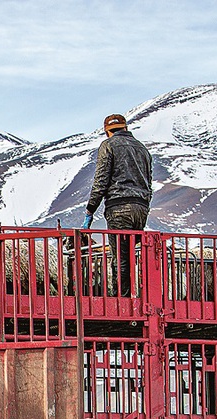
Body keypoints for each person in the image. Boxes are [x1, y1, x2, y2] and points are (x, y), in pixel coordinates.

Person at [83, 113, 153, 296]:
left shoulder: (108, 146)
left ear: (107, 132)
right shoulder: (142, 149)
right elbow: (149, 181)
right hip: (141, 208)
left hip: (119, 207)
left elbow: (101, 180)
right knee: (132, 254)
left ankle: (122, 299)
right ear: (126, 128)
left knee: (120, 256)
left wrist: (91, 209)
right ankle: (138, 295)